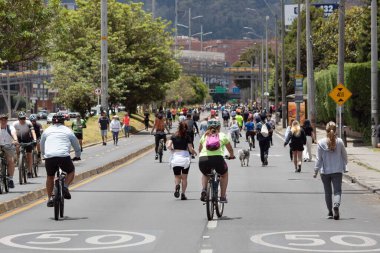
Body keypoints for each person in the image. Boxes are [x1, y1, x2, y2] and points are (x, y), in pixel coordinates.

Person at [40, 112, 81, 207]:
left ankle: (50, 199)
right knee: (71, 171)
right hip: (63, 156)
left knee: (50, 177)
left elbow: (42, 144)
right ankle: (65, 187)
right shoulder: (68, 130)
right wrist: (77, 155)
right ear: (64, 122)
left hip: (49, 157)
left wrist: (43, 155)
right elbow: (76, 145)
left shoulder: (47, 131)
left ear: (52, 122)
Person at [313, 121, 348, 220]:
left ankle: (329, 212)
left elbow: (319, 159)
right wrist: (345, 166)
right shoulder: (340, 141)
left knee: (327, 192)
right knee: (337, 191)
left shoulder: (320, 142)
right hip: (337, 170)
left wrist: (315, 171)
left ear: (326, 130)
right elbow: (345, 156)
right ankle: (336, 205)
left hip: (325, 172)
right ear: (335, 130)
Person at [198, 120, 235, 203]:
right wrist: (231, 156)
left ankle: (204, 189)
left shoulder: (204, 135)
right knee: (224, 174)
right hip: (217, 159)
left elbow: (200, 149)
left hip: (203, 159)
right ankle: (222, 197)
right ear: (219, 127)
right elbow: (230, 149)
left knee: (205, 174)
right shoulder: (222, 135)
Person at [166, 121, 197, 200]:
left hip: (175, 158)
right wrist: (194, 153)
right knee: (184, 178)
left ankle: (177, 185)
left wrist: (172, 149)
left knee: (177, 176)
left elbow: (168, 145)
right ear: (186, 128)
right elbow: (190, 149)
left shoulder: (173, 136)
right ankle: (183, 193)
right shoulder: (187, 136)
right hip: (185, 158)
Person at [13, 111, 37, 178]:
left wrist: (34, 139)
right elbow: (12, 133)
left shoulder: (28, 123)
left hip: (27, 140)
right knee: (17, 148)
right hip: (18, 139)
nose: (22, 120)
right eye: (21, 118)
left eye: (23, 118)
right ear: (18, 119)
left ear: (25, 118)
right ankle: (19, 160)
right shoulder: (15, 124)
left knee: (29, 155)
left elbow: (33, 132)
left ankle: (29, 171)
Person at [0, 114, 18, 188]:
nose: (3, 121)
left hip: (8, 146)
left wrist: (15, 140)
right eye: (1, 119)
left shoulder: (10, 128)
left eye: (5, 120)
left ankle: (10, 179)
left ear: (7, 121)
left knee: (10, 160)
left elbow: (14, 134)